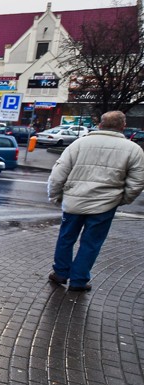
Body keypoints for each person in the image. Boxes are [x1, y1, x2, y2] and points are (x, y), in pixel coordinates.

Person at [47, 110, 144, 291]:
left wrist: (55, 195)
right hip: (105, 204)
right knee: (91, 243)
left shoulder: (79, 144)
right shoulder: (133, 149)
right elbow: (137, 182)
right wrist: (122, 199)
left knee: (66, 238)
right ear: (123, 126)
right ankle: (79, 280)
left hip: (74, 201)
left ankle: (60, 272)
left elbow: (58, 174)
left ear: (100, 124)